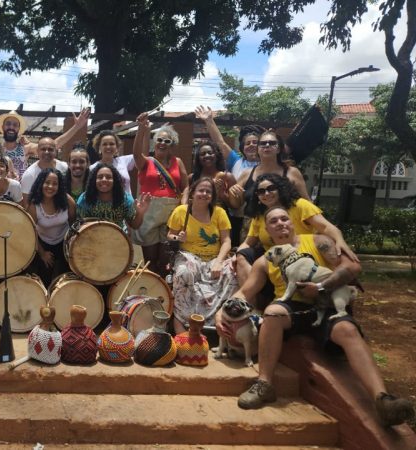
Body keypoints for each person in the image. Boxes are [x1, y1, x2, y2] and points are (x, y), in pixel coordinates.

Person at [224, 207, 415, 427]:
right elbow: (245, 292)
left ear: (292, 222)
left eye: (284, 218)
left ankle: (383, 399)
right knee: (272, 314)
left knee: (348, 330)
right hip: (291, 306)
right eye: (273, 221)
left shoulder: (317, 241)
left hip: (328, 300)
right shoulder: (265, 260)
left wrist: (323, 287)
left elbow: (352, 266)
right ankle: (264, 384)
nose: (280, 223)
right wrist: (223, 312)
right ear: (266, 229)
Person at [235, 173, 358, 285]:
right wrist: (235, 256)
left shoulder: (299, 205)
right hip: (274, 260)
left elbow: (326, 227)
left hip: (303, 256)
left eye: (271, 188)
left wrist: (339, 240)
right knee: (242, 256)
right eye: (261, 191)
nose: (266, 194)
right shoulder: (260, 215)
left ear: (280, 189)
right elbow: (248, 242)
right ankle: (250, 300)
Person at [166, 177, 236, 333]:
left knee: (232, 274)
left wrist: (219, 262)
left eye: (208, 191)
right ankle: (181, 323)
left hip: (214, 258)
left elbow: (226, 241)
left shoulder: (219, 213)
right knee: (184, 273)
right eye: (201, 190)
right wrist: (178, 238)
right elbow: (170, 235)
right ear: (192, 193)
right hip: (188, 255)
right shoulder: (181, 211)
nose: (204, 194)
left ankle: (216, 321)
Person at [195, 106, 262, 245]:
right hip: (237, 218)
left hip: (261, 217)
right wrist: (209, 121)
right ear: (242, 147)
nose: (251, 145)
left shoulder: (268, 165)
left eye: (256, 143)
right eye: (248, 143)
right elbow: (220, 142)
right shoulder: (236, 161)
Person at [131, 112, 188, 275]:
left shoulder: (178, 162)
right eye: (159, 140)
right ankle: (150, 291)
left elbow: (185, 186)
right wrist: (141, 130)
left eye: (167, 141)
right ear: (154, 143)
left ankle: (163, 291)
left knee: (165, 259)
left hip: (171, 212)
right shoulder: (146, 161)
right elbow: (136, 154)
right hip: (149, 212)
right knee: (149, 260)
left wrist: (183, 204)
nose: (162, 143)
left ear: (172, 144)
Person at [228, 129, 309, 212]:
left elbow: (307, 204)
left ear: (278, 149)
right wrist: (233, 193)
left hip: (284, 222)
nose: (267, 145)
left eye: (272, 143)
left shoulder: (291, 172)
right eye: (262, 143)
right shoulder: (247, 173)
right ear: (258, 149)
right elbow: (236, 206)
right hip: (255, 223)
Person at [0, 109, 90, 178]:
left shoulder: (25, 148)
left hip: (20, 196)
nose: (11, 127)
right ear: (3, 127)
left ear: (18, 129)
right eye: (8, 124)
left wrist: (76, 127)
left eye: (15, 125)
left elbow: (54, 145)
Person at [26, 168, 76, 287]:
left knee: (64, 280)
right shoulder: (34, 205)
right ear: (41, 183)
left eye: (55, 184)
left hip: (64, 242)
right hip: (42, 243)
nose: (50, 186)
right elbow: (30, 231)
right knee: (44, 278)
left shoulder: (68, 201)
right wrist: (42, 253)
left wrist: (70, 248)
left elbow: (73, 224)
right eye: (47, 182)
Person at [76, 163, 150, 231]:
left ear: (115, 181)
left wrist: (140, 213)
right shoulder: (84, 199)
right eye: (100, 177)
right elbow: (81, 227)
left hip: (118, 240)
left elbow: (135, 226)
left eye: (108, 177)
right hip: (92, 240)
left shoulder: (125, 199)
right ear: (94, 181)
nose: (104, 180)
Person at [182, 140, 235, 205]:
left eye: (210, 153)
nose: (207, 155)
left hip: (220, 214)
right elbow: (186, 198)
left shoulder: (227, 177)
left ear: (216, 155)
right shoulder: (192, 178)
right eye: (202, 154)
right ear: (198, 159)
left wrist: (222, 194)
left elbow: (234, 206)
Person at [90, 130, 134, 194]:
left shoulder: (124, 161)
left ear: (116, 147)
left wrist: (143, 129)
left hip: (127, 203)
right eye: (104, 144)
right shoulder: (93, 168)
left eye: (112, 144)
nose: (108, 147)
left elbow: (140, 155)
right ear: (99, 147)